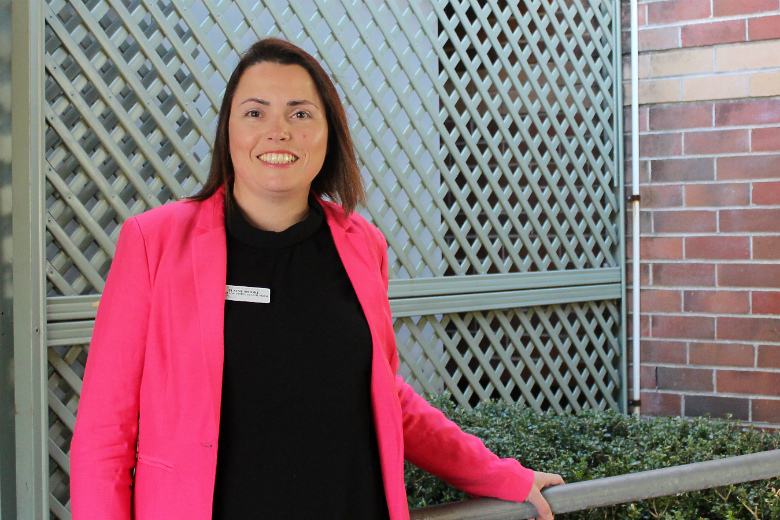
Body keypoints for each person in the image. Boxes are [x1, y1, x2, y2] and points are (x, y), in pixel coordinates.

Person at [70, 38, 563, 520]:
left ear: (329, 133)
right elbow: (104, 436)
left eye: (300, 113)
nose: (278, 131)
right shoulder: (153, 242)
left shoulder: (362, 244)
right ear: (228, 132)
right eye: (255, 112)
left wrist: (499, 474)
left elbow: (385, 394)